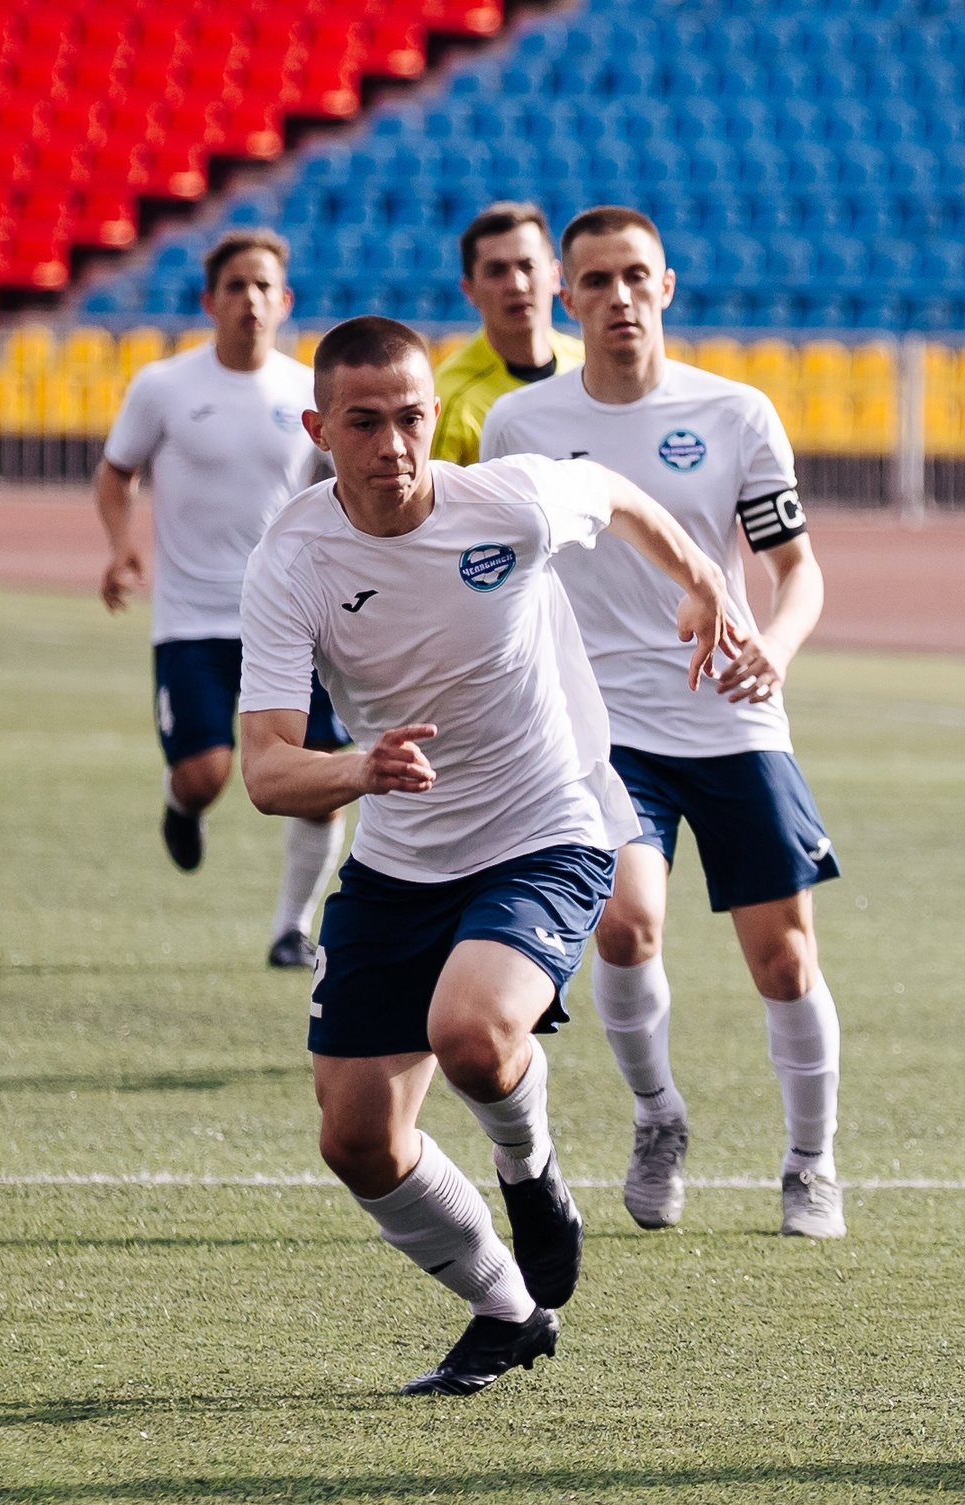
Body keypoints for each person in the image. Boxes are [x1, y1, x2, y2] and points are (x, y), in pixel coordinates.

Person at [236, 316, 736, 1396]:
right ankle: (508, 1312)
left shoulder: (507, 503)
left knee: (469, 1033)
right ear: (320, 430)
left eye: (411, 417)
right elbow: (267, 769)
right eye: (363, 423)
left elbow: (614, 493)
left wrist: (700, 577)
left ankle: (529, 1162)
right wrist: (359, 769)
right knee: (357, 1140)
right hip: (399, 857)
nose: (393, 445)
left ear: (433, 417)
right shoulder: (291, 559)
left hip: (544, 832)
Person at [481, 207, 848, 1241]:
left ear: (667, 286)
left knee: (784, 959)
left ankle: (811, 1161)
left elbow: (797, 569)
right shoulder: (521, 425)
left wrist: (776, 647)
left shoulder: (735, 413)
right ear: (567, 298)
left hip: (732, 717)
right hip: (603, 727)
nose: (619, 298)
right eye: (596, 281)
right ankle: (657, 1116)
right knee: (625, 922)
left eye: (636, 277)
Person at [97, 229, 348, 967]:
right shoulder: (164, 387)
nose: (251, 300)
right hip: (191, 619)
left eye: (264, 286)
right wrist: (122, 546)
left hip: (290, 617)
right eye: (236, 286)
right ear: (209, 301)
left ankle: (290, 928)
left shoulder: (306, 392)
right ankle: (182, 805)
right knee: (205, 774)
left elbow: (338, 491)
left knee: (321, 775)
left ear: (285, 299)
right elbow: (115, 473)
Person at [431, 202, 584, 467]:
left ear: (554, 276)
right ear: (469, 290)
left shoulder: (588, 364)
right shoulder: (448, 399)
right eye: (496, 271)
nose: (516, 285)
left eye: (527, 266)